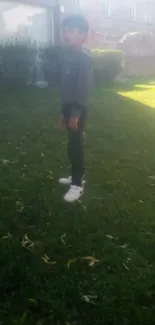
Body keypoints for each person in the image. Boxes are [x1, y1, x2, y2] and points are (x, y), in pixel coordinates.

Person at [58, 14, 92, 203]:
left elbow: (83, 89)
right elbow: (66, 87)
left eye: (71, 30)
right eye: (65, 30)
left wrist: (75, 115)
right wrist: (63, 112)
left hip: (78, 109)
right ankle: (76, 175)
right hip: (68, 106)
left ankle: (78, 185)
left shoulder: (83, 58)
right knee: (72, 145)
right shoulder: (69, 55)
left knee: (75, 146)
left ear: (83, 35)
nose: (66, 34)